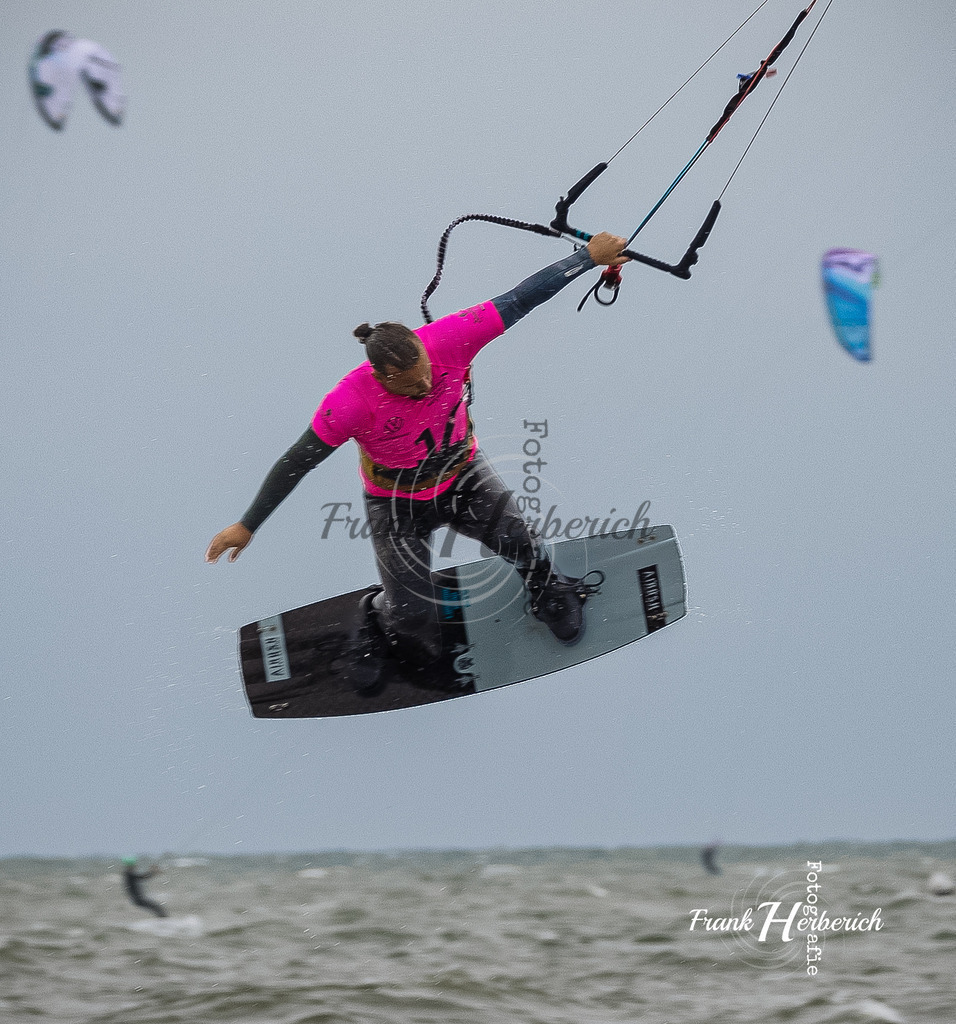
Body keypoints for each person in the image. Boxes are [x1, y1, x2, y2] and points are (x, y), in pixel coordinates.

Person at [206, 233, 629, 685]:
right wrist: (247, 524)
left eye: (426, 375)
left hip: (463, 477)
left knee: (521, 540)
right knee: (412, 621)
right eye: (410, 385)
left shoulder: (452, 339)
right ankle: (376, 619)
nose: (424, 387)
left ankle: (551, 594)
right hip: (396, 504)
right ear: (383, 376)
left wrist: (586, 258)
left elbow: (522, 297)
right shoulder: (350, 402)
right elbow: (299, 459)